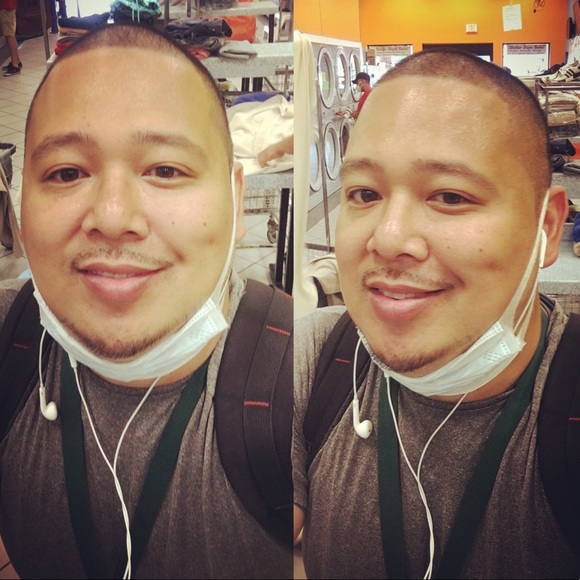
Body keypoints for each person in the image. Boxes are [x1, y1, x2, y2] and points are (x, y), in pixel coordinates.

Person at [0, 23, 292, 579]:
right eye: (67, 172)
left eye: (165, 170)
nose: (113, 217)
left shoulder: (301, 381)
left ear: (236, 197)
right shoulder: (8, 343)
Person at [293, 48, 578, 578]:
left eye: (449, 196)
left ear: (546, 228)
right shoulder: (312, 361)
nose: (388, 238)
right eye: (364, 193)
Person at [0, 0, 21, 76]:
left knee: (9, 35)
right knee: (10, 34)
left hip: (6, 6)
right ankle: (17, 61)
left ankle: (15, 65)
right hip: (8, 5)